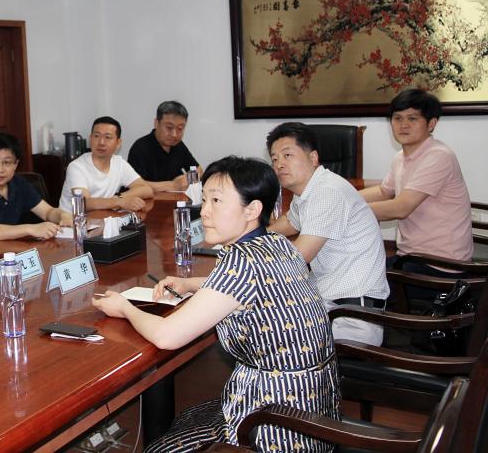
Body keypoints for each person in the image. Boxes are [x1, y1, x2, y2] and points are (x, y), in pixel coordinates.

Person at [93, 156, 339, 451]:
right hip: (314, 409)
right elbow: (252, 286)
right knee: (187, 418)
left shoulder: (241, 260)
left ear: (252, 210)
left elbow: (167, 336)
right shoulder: (276, 243)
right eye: (205, 199)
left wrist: (124, 307)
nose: (204, 211)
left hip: (275, 427)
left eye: (217, 201)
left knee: (162, 447)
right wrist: (190, 283)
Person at [267, 122, 389, 345]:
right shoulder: (310, 189)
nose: (279, 165)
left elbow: (297, 257)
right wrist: (257, 236)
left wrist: (251, 260)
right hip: (329, 302)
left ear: (313, 158)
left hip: (351, 316)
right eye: (274, 159)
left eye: (287, 155)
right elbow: (291, 222)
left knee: (268, 333)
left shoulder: (327, 192)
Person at [359, 89, 473, 281]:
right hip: (411, 257)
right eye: (397, 118)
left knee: (357, 282)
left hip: (440, 267)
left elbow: (401, 208)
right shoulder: (400, 158)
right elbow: (383, 191)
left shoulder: (438, 156)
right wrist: (341, 197)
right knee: (354, 271)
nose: (403, 125)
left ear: (431, 123)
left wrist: (347, 209)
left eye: (412, 118)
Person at [0, 132, 73, 242]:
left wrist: (62, 215)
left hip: (8, 249)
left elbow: (47, 212)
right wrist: (30, 229)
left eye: (7, 162)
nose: (0, 169)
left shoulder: (19, 184)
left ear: (16, 164)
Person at [58, 116, 153, 211]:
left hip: (102, 217)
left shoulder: (119, 163)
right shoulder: (76, 166)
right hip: (71, 219)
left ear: (118, 143)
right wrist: (119, 202)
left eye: (108, 137)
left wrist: (118, 197)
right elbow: (84, 203)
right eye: (96, 136)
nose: (101, 142)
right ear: (90, 139)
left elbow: (146, 189)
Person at [126, 101, 202, 192]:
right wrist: (173, 185)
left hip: (174, 199)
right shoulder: (140, 147)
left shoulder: (178, 145)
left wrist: (188, 180)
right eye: (169, 127)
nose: (174, 134)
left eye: (180, 128)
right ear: (156, 123)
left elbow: (199, 170)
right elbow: (134, 184)